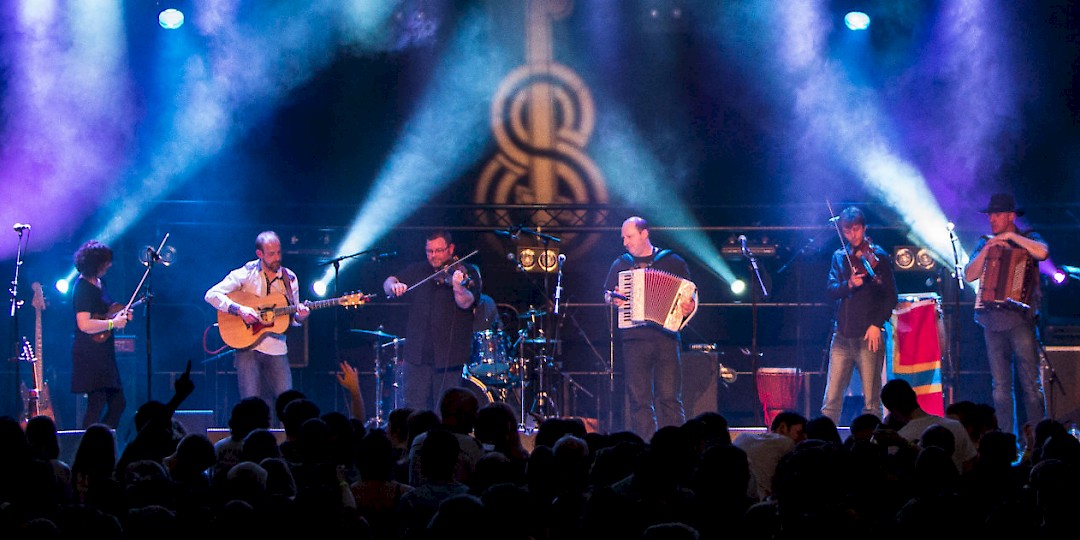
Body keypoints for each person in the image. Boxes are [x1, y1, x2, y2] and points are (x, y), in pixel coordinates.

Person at [603, 216, 697, 439]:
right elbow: (607, 294)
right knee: (639, 400)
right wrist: (613, 300)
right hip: (633, 339)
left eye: (629, 236)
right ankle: (646, 447)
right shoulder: (621, 264)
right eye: (623, 237)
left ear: (644, 233)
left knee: (670, 398)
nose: (625, 242)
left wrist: (689, 306)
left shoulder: (672, 261)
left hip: (666, 338)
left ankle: (676, 446)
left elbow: (691, 295)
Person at [963, 193, 1049, 436]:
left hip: (1021, 321)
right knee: (1000, 387)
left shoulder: (1028, 237)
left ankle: (1040, 440)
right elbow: (970, 275)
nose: (992, 219)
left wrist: (1011, 237)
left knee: (1031, 385)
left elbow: (1042, 253)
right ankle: (1007, 442)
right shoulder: (984, 241)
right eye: (990, 214)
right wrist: (988, 248)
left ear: (1011, 216)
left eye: (997, 214)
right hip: (992, 321)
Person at [205, 231, 310, 407]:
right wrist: (239, 309)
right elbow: (211, 295)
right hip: (247, 348)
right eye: (271, 254)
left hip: (277, 349)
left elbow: (291, 320)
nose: (277, 258)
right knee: (251, 407)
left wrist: (300, 317)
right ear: (259, 254)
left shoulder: (289, 279)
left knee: (288, 405)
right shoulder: (246, 273)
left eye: (279, 252)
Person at [383, 230, 479, 411]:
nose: (433, 256)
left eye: (439, 251)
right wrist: (393, 286)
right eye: (429, 251)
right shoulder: (419, 270)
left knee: (448, 412)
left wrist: (458, 287)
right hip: (416, 355)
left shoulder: (468, 271)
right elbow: (388, 282)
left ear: (451, 249)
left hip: (449, 357)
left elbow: (466, 303)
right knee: (412, 411)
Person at [820, 207, 897, 424]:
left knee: (872, 401)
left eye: (856, 230)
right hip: (842, 336)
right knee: (831, 398)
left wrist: (876, 324)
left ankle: (873, 448)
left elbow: (890, 297)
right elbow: (831, 290)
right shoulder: (839, 257)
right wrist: (849, 285)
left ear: (863, 228)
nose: (853, 235)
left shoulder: (879, 257)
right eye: (847, 231)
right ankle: (824, 443)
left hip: (868, 336)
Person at [71, 240, 133, 429]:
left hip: (104, 351)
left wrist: (121, 315)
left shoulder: (100, 283)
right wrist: (113, 323)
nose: (110, 265)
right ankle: (88, 446)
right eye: (106, 261)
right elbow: (84, 324)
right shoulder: (82, 288)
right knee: (96, 404)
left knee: (118, 403)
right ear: (95, 263)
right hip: (90, 353)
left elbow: (106, 311)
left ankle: (102, 441)